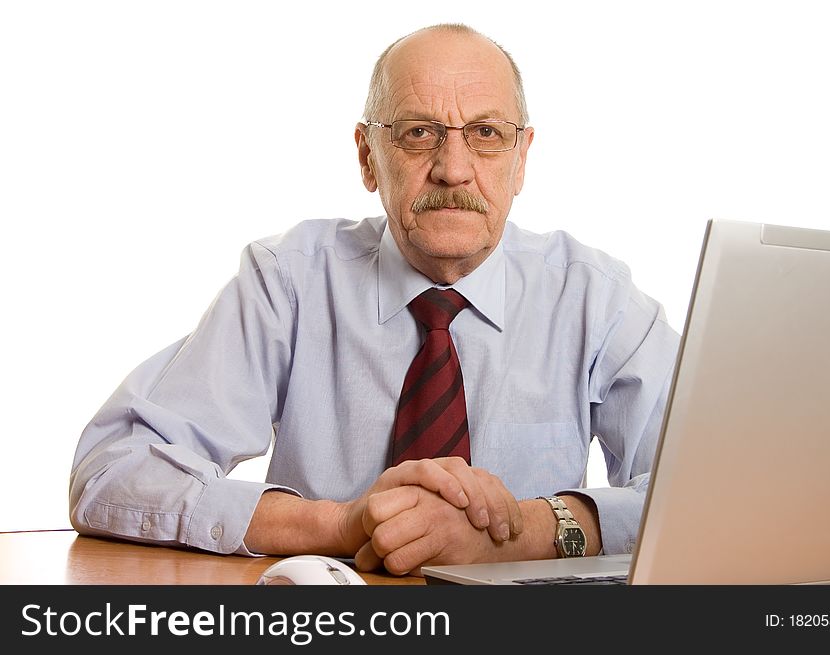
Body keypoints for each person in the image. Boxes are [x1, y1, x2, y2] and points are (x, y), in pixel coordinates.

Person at [69, 23, 680, 576]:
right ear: (368, 156)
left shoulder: (595, 298)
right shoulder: (289, 281)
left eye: (487, 134)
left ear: (521, 159)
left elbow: (714, 489)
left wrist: (526, 532)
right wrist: (340, 524)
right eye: (420, 134)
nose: (453, 169)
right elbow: (114, 470)